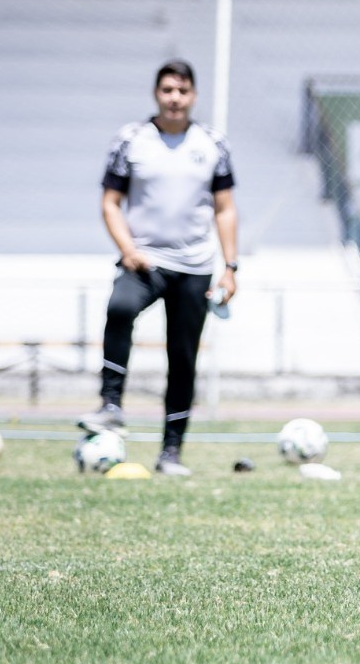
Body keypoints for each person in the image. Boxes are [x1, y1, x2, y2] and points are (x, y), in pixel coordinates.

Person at [77, 60, 239, 477]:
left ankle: (171, 452)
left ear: (194, 96)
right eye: (167, 90)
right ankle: (111, 405)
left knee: (182, 358)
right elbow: (110, 202)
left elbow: (225, 209)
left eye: (182, 91)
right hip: (145, 261)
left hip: (195, 267)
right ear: (156, 94)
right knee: (119, 308)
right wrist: (127, 249)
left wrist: (230, 266)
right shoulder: (131, 140)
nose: (174, 98)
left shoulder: (213, 144)